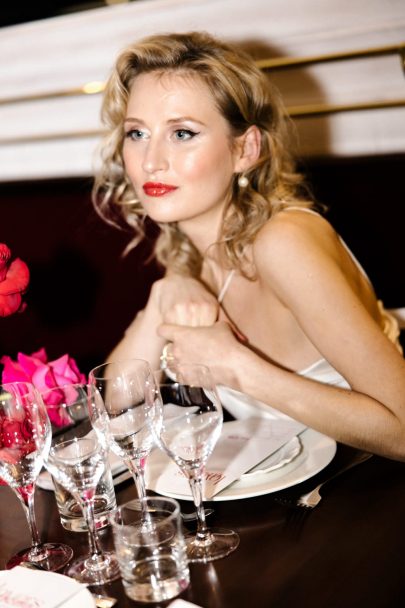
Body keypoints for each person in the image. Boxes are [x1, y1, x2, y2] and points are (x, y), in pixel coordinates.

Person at [92, 31, 405, 461]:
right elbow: (113, 399)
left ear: (245, 149)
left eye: (182, 133)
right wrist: (163, 296)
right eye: (137, 133)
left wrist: (239, 367)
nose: (151, 161)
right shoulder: (190, 257)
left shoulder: (283, 242)